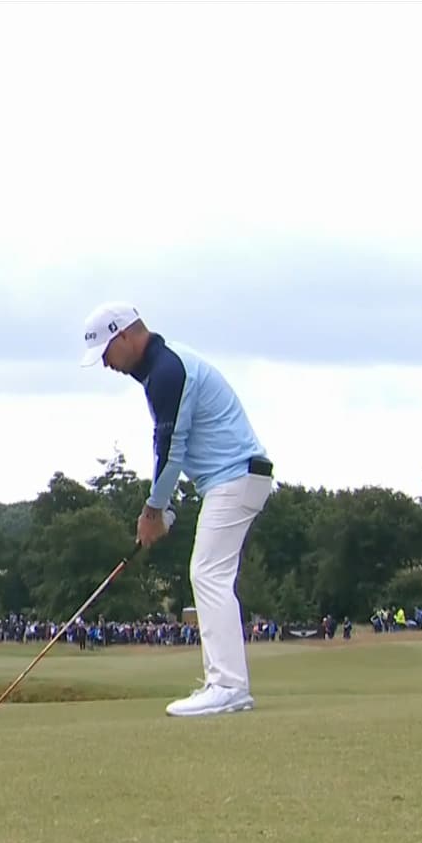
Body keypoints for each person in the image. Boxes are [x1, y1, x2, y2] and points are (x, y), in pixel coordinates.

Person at [79, 302, 273, 717]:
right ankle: (223, 682)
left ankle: (228, 685)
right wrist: (164, 510)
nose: (106, 365)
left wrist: (153, 511)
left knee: (208, 573)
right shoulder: (162, 369)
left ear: (126, 336)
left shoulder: (168, 372)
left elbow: (170, 451)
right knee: (209, 572)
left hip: (236, 476)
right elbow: (179, 455)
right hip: (231, 479)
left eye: (106, 353)